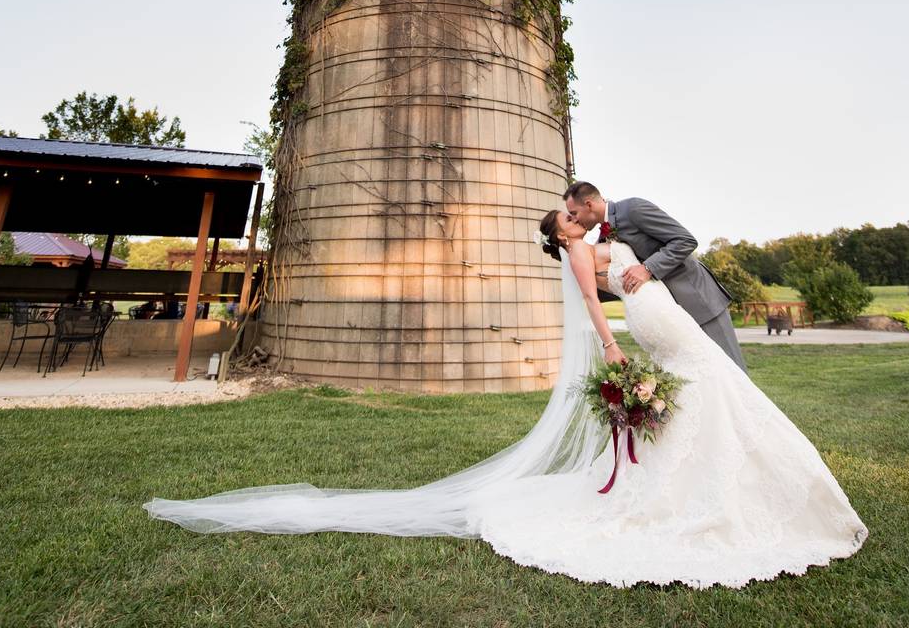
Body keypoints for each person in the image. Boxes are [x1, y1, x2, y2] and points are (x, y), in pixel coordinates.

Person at [142, 207, 868, 589]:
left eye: (571, 216)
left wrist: (638, 280)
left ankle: (715, 478)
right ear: (563, 234)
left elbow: (637, 263)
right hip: (650, 323)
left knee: (709, 393)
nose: (574, 221)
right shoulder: (580, 251)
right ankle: (711, 489)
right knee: (709, 390)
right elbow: (594, 302)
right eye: (565, 221)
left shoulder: (601, 235)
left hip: (662, 317)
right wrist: (612, 346)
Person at [563, 181, 747, 371]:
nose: (574, 219)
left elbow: (685, 240)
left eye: (574, 213)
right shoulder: (602, 239)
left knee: (732, 372)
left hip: (699, 301)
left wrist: (647, 268)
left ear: (588, 204)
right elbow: (609, 285)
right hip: (671, 316)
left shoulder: (633, 209)